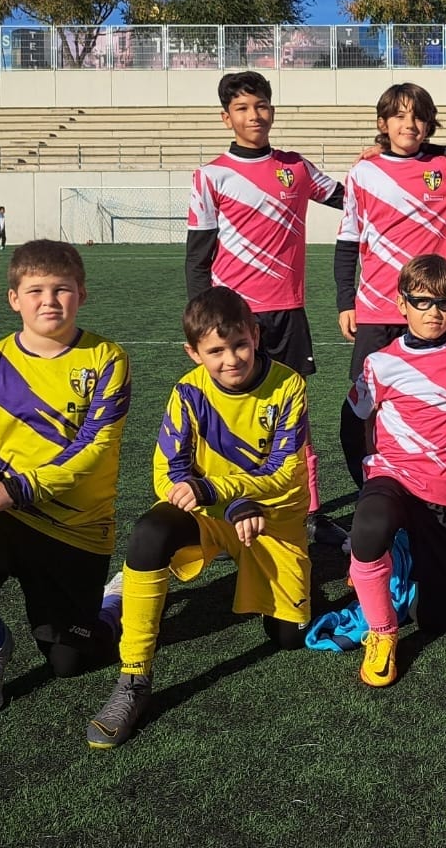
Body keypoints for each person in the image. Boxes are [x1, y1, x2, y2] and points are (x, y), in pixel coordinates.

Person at [84, 287, 312, 748]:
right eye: (216, 351)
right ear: (194, 353)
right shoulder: (188, 391)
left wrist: (224, 493)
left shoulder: (288, 386)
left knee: (289, 636)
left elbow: (286, 471)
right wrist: (229, 503)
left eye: (240, 345)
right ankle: (134, 677)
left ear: (255, 334)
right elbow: (168, 472)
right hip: (216, 514)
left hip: (270, 518)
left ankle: (258, 570)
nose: (231, 360)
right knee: (150, 532)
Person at [0, 239, 131, 721]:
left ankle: (113, 601)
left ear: (82, 294)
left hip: (77, 529)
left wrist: (12, 490)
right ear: (14, 299)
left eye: (62, 289)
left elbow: (95, 450)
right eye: (35, 291)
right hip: (5, 516)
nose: (49, 301)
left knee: (70, 662)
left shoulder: (107, 359)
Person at [186, 71, 346, 542]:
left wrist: (372, 166)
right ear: (226, 117)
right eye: (242, 108)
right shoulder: (211, 176)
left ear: (272, 110)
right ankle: (228, 506)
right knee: (230, 413)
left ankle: (309, 512)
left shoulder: (296, 167)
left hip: (287, 312)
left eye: (260, 106)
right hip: (235, 319)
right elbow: (197, 256)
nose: (253, 115)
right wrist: (202, 323)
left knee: (295, 414)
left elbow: (351, 198)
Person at [334, 84, 446, 489]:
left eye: (418, 116)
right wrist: (345, 300)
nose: (410, 124)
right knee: (366, 408)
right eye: (399, 116)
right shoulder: (363, 172)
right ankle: (373, 484)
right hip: (376, 309)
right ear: (382, 123)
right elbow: (348, 240)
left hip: (433, 308)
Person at [344, 254, 446, 687]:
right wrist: (366, 485)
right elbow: (351, 424)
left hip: (445, 490)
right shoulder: (380, 363)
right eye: (422, 302)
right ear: (401, 303)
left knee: (434, 620)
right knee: (369, 525)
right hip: (394, 477)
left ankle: (405, 557)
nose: (433, 312)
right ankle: (382, 632)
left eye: (445, 303)